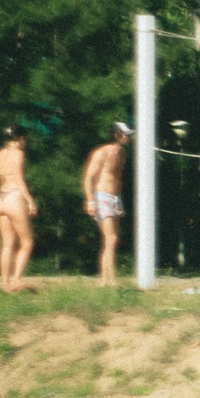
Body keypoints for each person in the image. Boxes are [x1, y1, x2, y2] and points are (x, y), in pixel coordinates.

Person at [0, 124, 36, 293]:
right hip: (14, 197)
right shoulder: (18, 154)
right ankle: (16, 279)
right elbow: (20, 179)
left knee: (7, 243)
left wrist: (4, 179)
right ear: (20, 138)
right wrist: (30, 201)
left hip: (0, 198)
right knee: (27, 242)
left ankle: (5, 283)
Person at [81, 122, 131, 287]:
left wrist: (119, 202)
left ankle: (105, 280)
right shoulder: (101, 153)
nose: (128, 137)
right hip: (101, 196)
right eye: (126, 134)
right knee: (111, 238)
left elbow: (118, 179)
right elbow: (88, 177)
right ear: (117, 134)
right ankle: (109, 279)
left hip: (115, 198)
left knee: (112, 240)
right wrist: (90, 201)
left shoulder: (122, 154)